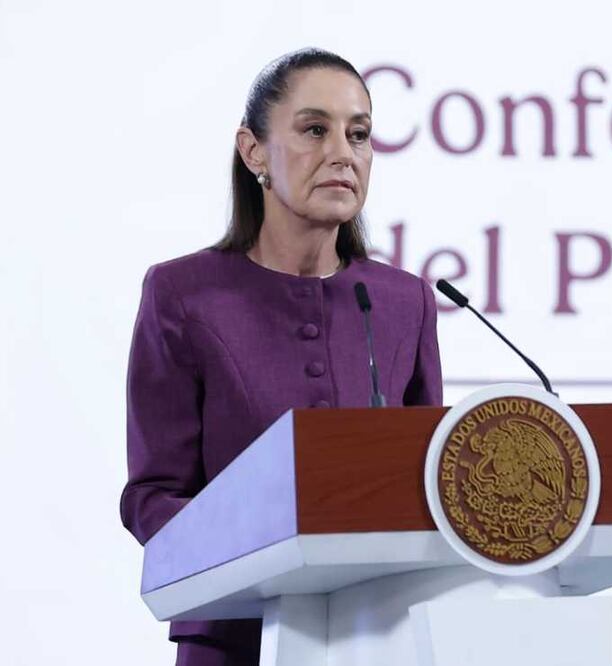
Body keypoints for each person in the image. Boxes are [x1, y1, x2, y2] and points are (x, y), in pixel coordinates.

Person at [119, 48, 443, 666]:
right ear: (254, 152)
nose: (343, 153)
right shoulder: (183, 294)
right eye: (315, 130)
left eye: (360, 134)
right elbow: (153, 494)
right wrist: (262, 551)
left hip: (377, 639)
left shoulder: (405, 302)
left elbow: (431, 482)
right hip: (234, 636)